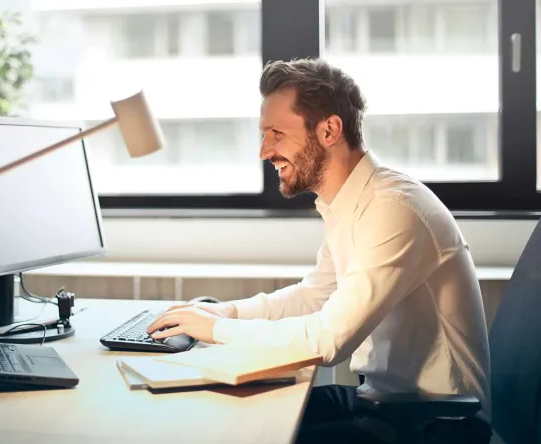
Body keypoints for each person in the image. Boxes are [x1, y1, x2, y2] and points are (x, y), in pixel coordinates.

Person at [147, 58, 492, 443]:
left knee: (246, 433)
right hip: (383, 403)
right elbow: (314, 297)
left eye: (276, 133)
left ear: (329, 130)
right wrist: (226, 312)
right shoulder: (352, 202)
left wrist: (216, 330)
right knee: (229, 411)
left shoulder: (394, 210)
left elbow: (329, 340)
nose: (264, 151)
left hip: (435, 425)